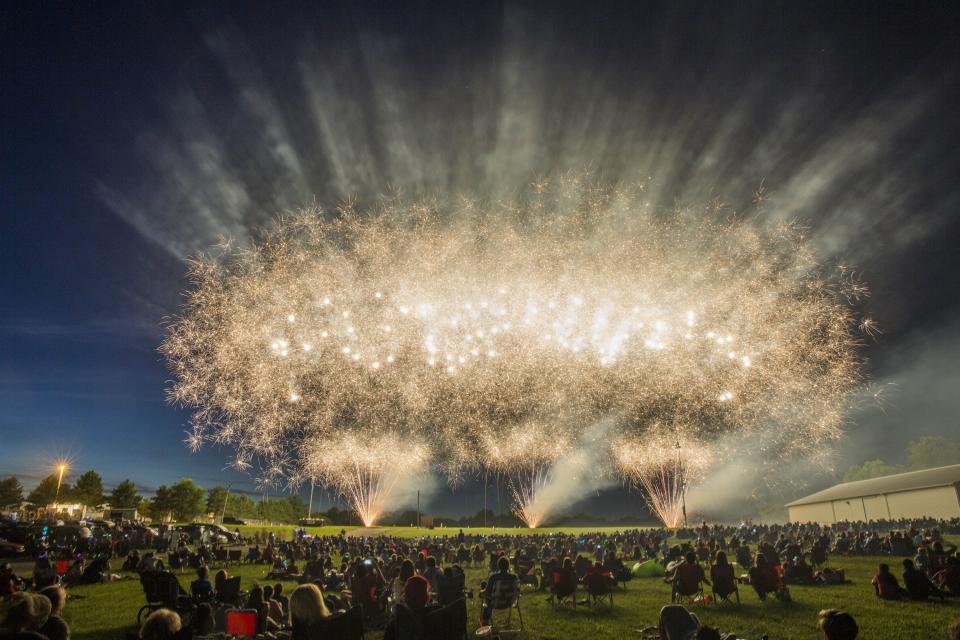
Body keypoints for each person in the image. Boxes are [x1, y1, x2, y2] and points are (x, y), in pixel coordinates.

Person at [480, 556, 518, 624]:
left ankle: (486, 621)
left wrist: (481, 592)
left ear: (498, 566)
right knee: (485, 584)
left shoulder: (494, 577)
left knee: (484, 584)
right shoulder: (514, 577)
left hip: (495, 603)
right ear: (508, 566)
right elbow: (517, 590)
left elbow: (487, 592)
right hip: (509, 602)